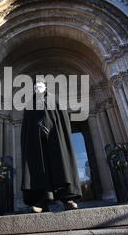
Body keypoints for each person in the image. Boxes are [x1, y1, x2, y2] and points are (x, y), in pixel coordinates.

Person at [20, 77, 82, 213]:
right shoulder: (30, 105)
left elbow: (62, 121)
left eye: (40, 84)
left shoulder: (55, 100)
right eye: (35, 86)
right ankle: (42, 201)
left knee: (61, 167)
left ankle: (67, 199)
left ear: (46, 86)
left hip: (56, 141)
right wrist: (37, 130)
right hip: (38, 145)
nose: (38, 87)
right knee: (40, 170)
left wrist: (52, 130)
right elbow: (27, 127)